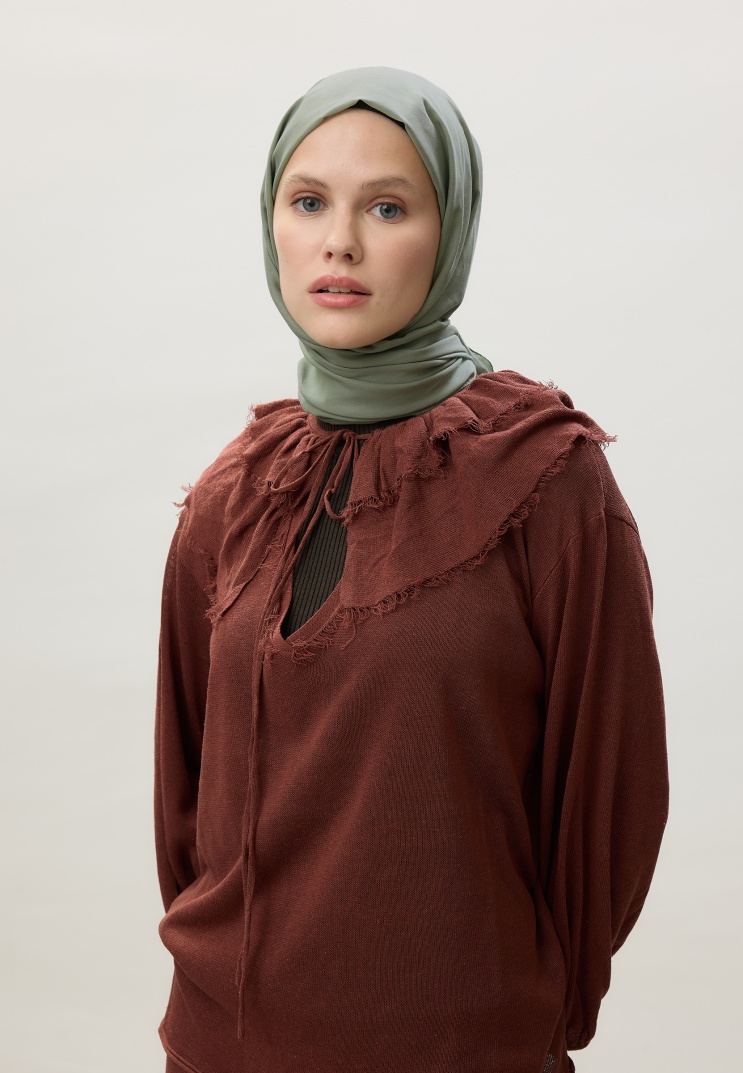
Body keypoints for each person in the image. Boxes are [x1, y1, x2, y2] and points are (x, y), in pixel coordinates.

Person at [154, 67, 668, 1073]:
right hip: (225, 1044)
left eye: (386, 207)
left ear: (450, 230)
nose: (338, 242)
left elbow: (608, 796)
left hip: (466, 1044)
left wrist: (521, 1013)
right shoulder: (237, 488)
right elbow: (186, 795)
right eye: (308, 202)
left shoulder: (544, 476)